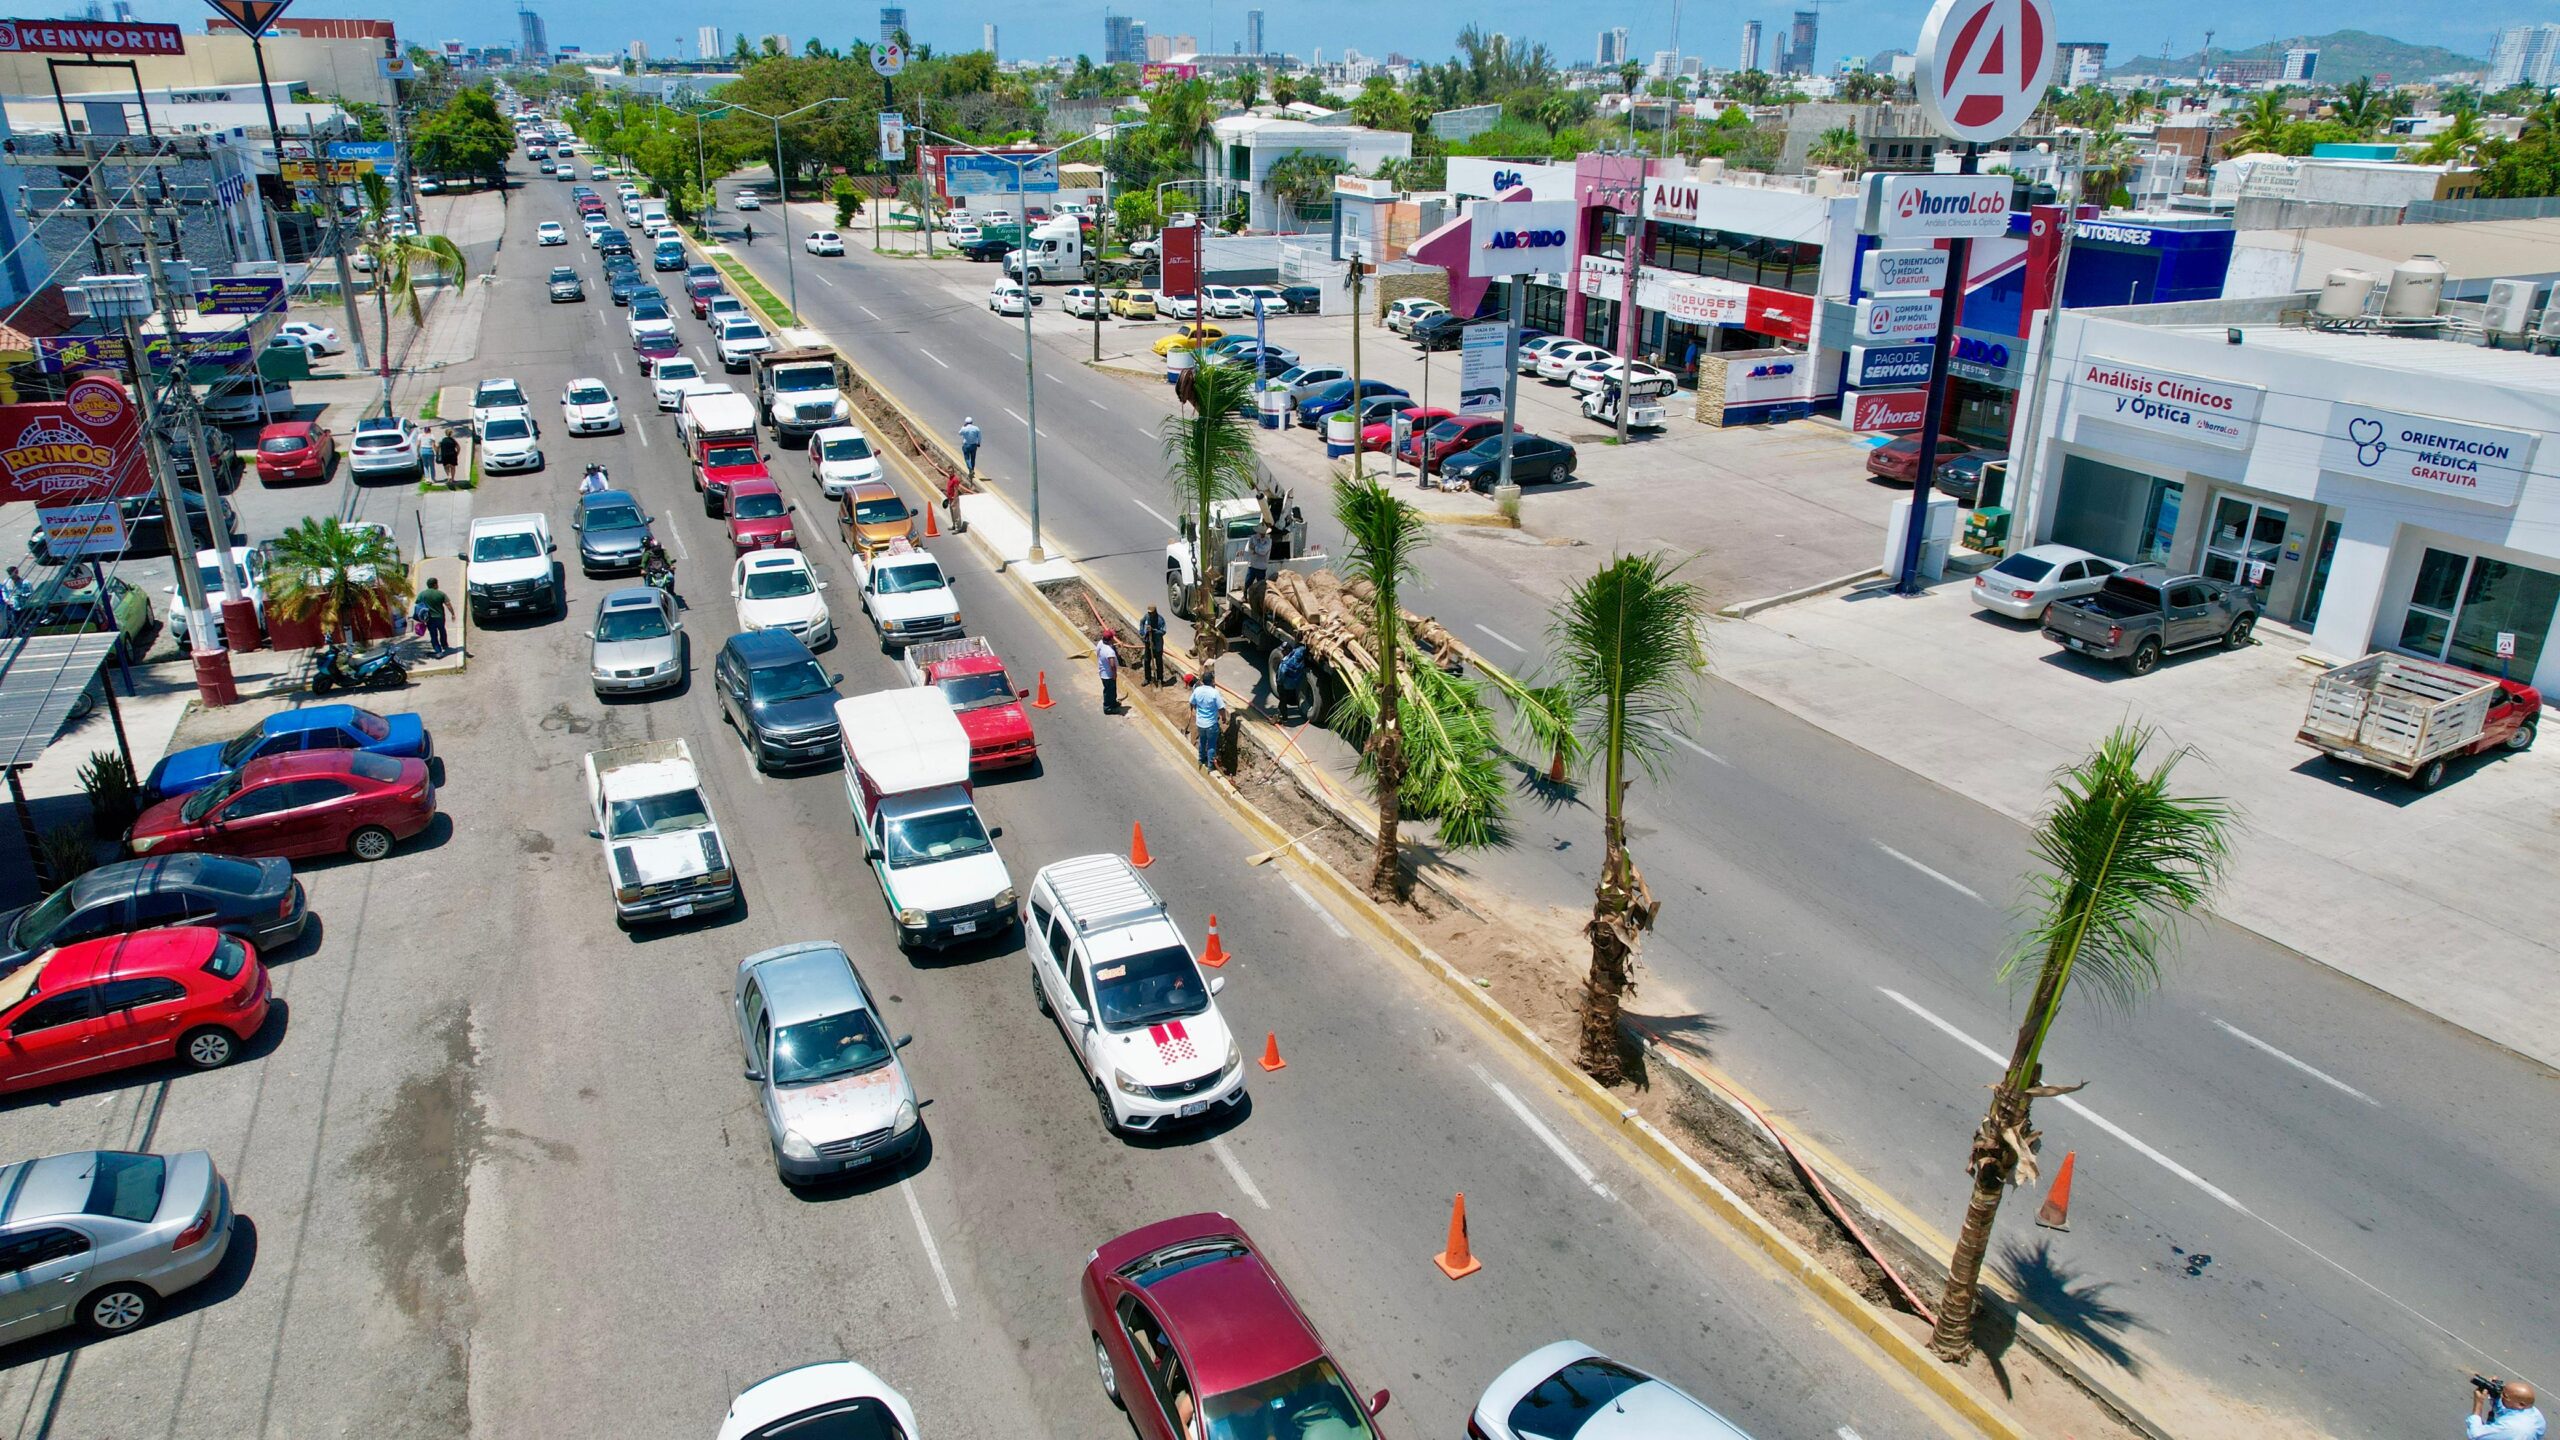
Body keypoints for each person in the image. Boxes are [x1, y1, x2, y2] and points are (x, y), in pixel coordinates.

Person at [2470, 1379, 2545, 1440]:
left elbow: (2475, 1434)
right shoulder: (2535, 1415)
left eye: (2504, 1395)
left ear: (2521, 1404)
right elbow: (2505, 1410)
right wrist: (2494, 1393)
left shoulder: (2510, 1427)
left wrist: (2478, 1403)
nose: (2501, 1396)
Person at [1189, 664, 1225, 770]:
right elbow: (1221, 708)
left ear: (1203, 681)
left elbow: (1191, 702)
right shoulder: (1214, 693)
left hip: (1200, 723)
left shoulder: (1197, 690)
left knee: (1202, 741)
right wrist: (1223, 718)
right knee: (1211, 745)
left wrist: (1196, 710)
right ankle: (1210, 765)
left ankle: (1201, 759)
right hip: (1211, 724)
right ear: (1212, 681)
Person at [414, 576, 453, 658]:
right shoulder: (441, 593)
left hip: (430, 619)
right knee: (442, 631)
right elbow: (448, 604)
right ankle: (445, 645)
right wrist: (452, 614)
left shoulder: (422, 594)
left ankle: (438, 651)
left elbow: (417, 603)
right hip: (440, 617)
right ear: (435, 585)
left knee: (433, 634)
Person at [1274, 639, 1311, 719]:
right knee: (1287, 698)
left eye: (1283, 650)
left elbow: (1281, 676)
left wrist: (1279, 683)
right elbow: (1302, 649)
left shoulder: (1285, 664)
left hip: (1285, 685)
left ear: (1287, 650)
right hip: (1294, 684)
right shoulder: (1297, 654)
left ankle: (1283, 716)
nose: (1282, 652)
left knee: (1282, 702)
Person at [1138, 604, 1168, 686]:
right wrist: (1142, 632)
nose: (1150, 614)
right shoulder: (1147, 617)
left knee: (1158, 662)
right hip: (1149, 642)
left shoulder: (1160, 620)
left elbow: (1163, 632)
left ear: (1155, 612)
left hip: (1157, 644)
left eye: (1151, 613)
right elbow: (1141, 621)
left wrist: (1153, 630)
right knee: (1147, 661)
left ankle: (1160, 679)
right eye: (1149, 613)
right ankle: (1147, 678)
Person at [1096, 628, 1121, 715]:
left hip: (1103, 672)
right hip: (1108, 675)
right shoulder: (1109, 651)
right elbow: (1112, 665)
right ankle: (1108, 708)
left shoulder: (1100, 643)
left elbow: (1098, 653)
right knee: (1109, 691)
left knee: (1112, 690)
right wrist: (1114, 675)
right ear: (1110, 639)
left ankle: (1113, 703)